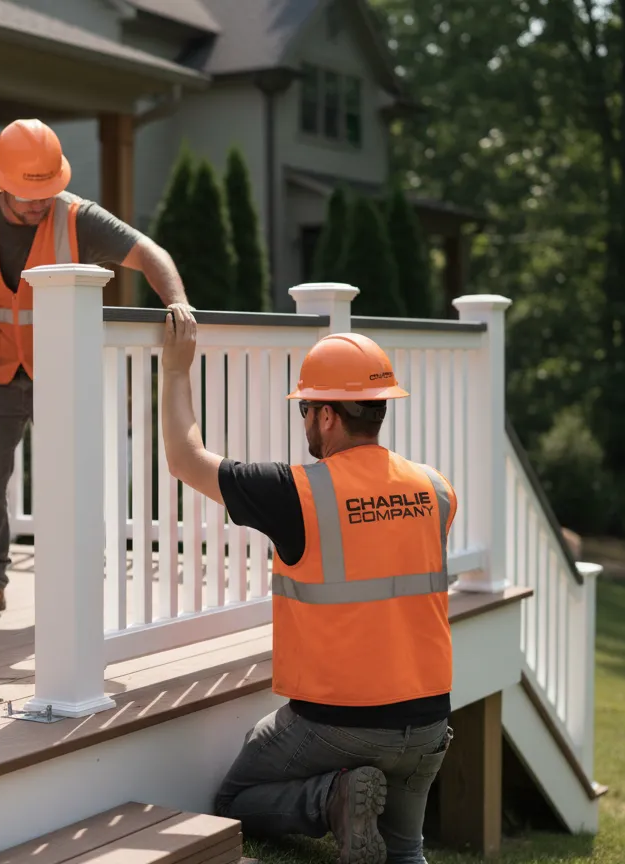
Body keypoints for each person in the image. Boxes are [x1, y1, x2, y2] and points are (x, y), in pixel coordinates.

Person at [158, 306, 457, 864]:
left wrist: (176, 369)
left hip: (338, 727)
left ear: (325, 416)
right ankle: (369, 813)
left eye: (305, 412)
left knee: (235, 798)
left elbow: (183, 458)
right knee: (405, 851)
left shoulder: (297, 493)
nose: (305, 425)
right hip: (429, 725)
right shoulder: (436, 490)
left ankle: (334, 798)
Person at [0, 118, 193, 619]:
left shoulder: (78, 218)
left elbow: (149, 253)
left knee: (74, 480)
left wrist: (177, 302)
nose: (39, 204)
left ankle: (82, 579)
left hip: (60, 372)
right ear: (1, 181)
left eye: (46, 192)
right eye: (26, 195)